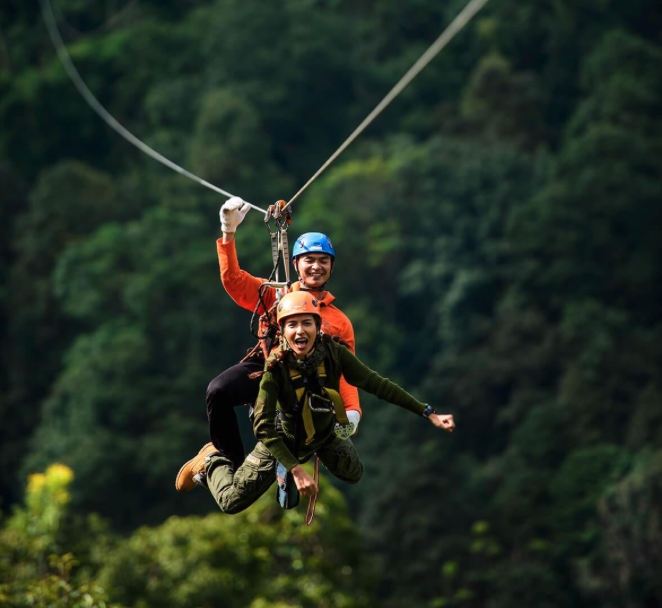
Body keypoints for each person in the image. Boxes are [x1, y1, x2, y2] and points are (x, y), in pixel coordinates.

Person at [177, 291, 455, 513]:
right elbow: (263, 428)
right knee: (231, 502)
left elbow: (376, 384)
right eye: (292, 325)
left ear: (318, 326)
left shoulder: (334, 353)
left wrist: (426, 411)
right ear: (283, 331)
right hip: (283, 439)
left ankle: (310, 447)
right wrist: (296, 469)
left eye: (307, 323)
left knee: (353, 473)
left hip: (322, 434)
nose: (300, 331)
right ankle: (211, 460)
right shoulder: (275, 368)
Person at [176, 197, 361, 491]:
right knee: (219, 390)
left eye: (323, 261)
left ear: (332, 267)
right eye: (309, 260)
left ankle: (285, 472)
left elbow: (346, 371)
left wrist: (351, 410)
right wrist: (228, 233)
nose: (316, 267)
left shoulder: (338, 322)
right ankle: (222, 460)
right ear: (296, 264)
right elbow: (234, 282)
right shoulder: (276, 295)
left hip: (308, 384)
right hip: (268, 365)